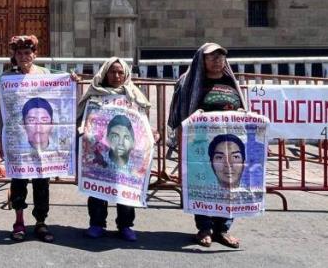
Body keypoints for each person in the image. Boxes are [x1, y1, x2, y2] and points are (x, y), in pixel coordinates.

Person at [167, 42, 245, 249]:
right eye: (212, 57)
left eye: (220, 57)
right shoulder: (189, 81)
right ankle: (204, 228)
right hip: (200, 144)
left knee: (228, 186)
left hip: (229, 143)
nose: (217, 61)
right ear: (201, 60)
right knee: (202, 183)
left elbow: (241, 106)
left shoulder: (230, 80)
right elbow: (181, 109)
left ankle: (223, 229)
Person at [1, 35, 78, 243]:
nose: (24, 57)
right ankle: (19, 221)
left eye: (28, 53)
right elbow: (5, 111)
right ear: (14, 56)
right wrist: (3, 140)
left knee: (42, 182)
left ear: (35, 54)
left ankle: (40, 222)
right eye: (19, 53)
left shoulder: (45, 74)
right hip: (19, 142)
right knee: (19, 181)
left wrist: (71, 80)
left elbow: (61, 80)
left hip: (44, 146)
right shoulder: (7, 78)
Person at [77, 57, 152, 242]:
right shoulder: (95, 94)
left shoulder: (133, 95)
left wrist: (151, 134)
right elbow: (83, 117)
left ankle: (125, 225)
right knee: (97, 187)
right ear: (105, 73)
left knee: (125, 186)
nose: (116, 76)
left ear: (126, 74)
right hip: (100, 149)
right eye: (112, 72)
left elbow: (141, 122)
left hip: (126, 152)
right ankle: (96, 223)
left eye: (120, 72)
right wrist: (83, 129)